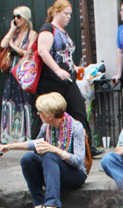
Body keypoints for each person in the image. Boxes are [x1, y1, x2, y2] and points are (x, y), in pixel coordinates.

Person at [0, 92, 86, 208]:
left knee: (49, 154)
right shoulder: (46, 126)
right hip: (53, 170)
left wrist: (54, 149)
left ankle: (52, 207)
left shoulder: (76, 127)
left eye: (41, 111)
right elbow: (36, 145)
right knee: (28, 158)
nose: (38, 114)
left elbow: (78, 161)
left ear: (50, 115)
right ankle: (38, 202)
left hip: (74, 174)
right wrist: (10, 146)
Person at [34, 0, 92, 150]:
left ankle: (86, 145)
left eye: (70, 14)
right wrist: (57, 70)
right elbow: (43, 51)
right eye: (66, 13)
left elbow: (66, 57)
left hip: (67, 78)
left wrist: (75, 68)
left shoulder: (64, 32)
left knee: (78, 107)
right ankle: (37, 144)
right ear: (56, 12)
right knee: (48, 111)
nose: (68, 17)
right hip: (51, 79)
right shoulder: (48, 28)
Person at [0, 6, 37, 144]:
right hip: (13, 72)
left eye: (19, 16)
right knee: (10, 100)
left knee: (25, 101)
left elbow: (28, 53)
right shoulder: (14, 34)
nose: (16, 19)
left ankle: (26, 135)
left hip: (25, 72)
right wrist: (11, 30)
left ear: (26, 18)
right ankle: (10, 135)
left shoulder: (32, 34)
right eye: (14, 16)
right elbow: (3, 45)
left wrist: (13, 46)